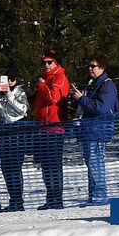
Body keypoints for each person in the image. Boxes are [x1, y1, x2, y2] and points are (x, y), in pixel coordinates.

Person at [71, 54, 119, 205]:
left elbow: (100, 108)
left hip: (98, 131)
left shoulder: (107, 85)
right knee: (91, 163)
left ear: (102, 68)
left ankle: (99, 196)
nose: (90, 69)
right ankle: (94, 195)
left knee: (95, 163)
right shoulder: (92, 84)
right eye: (89, 66)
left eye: (93, 66)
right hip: (89, 130)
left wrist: (81, 98)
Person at [30, 48, 71, 209]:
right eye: (44, 62)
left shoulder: (59, 77)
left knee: (54, 165)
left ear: (56, 62)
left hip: (55, 127)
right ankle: (51, 198)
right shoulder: (45, 79)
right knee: (46, 166)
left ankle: (56, 199)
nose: (46, 65)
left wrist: (41, 86)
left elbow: (54, 97)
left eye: (49, 62)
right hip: (42, 128)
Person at [0, 66, 29, 211]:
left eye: (11, 80)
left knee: (15, 168)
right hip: (3, 132)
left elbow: (23, 110)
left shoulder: (20, 92)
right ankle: (13, 200)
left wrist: (10, 95)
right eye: (6, 80)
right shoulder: (1, 94)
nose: (8, 83)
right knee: (6, 168)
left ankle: (18, 201)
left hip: (17, 131)